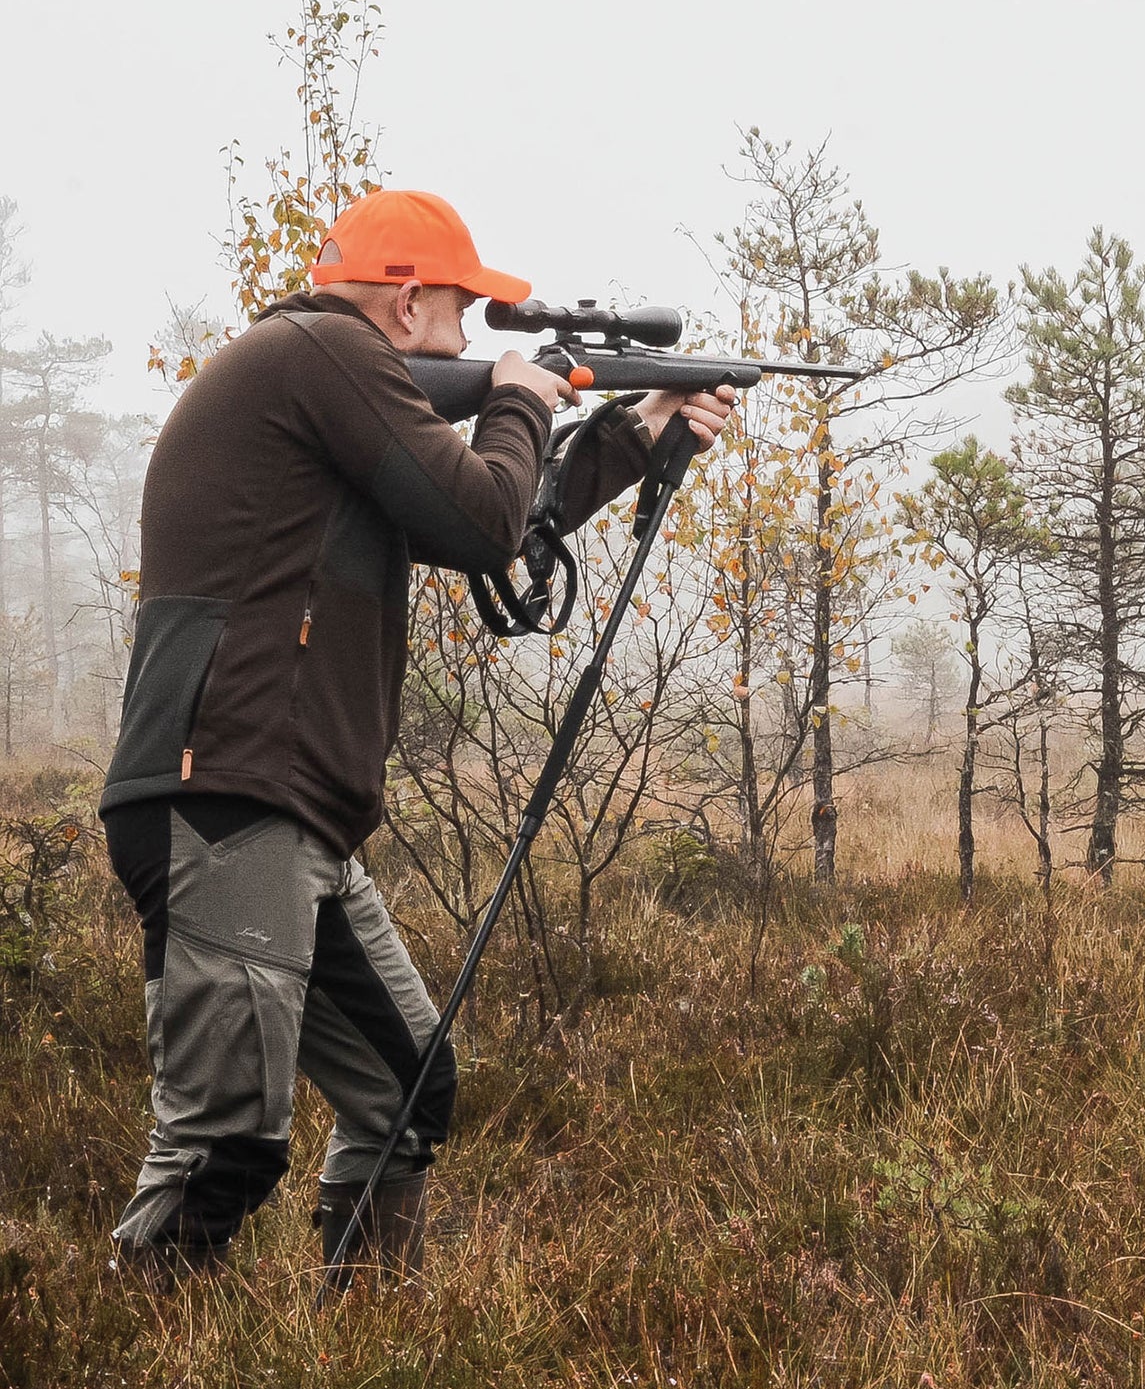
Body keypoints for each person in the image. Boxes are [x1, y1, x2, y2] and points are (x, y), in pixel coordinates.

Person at [98, 188, 733, 1287]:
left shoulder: (324, 393)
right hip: (230, 794)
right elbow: (481, 509)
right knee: (224, 1146)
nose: (467, 336)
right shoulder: (314, 353)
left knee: (405, 1093)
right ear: (403, 303)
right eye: (458, 314)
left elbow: (489, 516)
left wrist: (633, 434)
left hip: (289, 812)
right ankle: (136, 1338)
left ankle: (370, 1336)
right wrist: (524, 392)